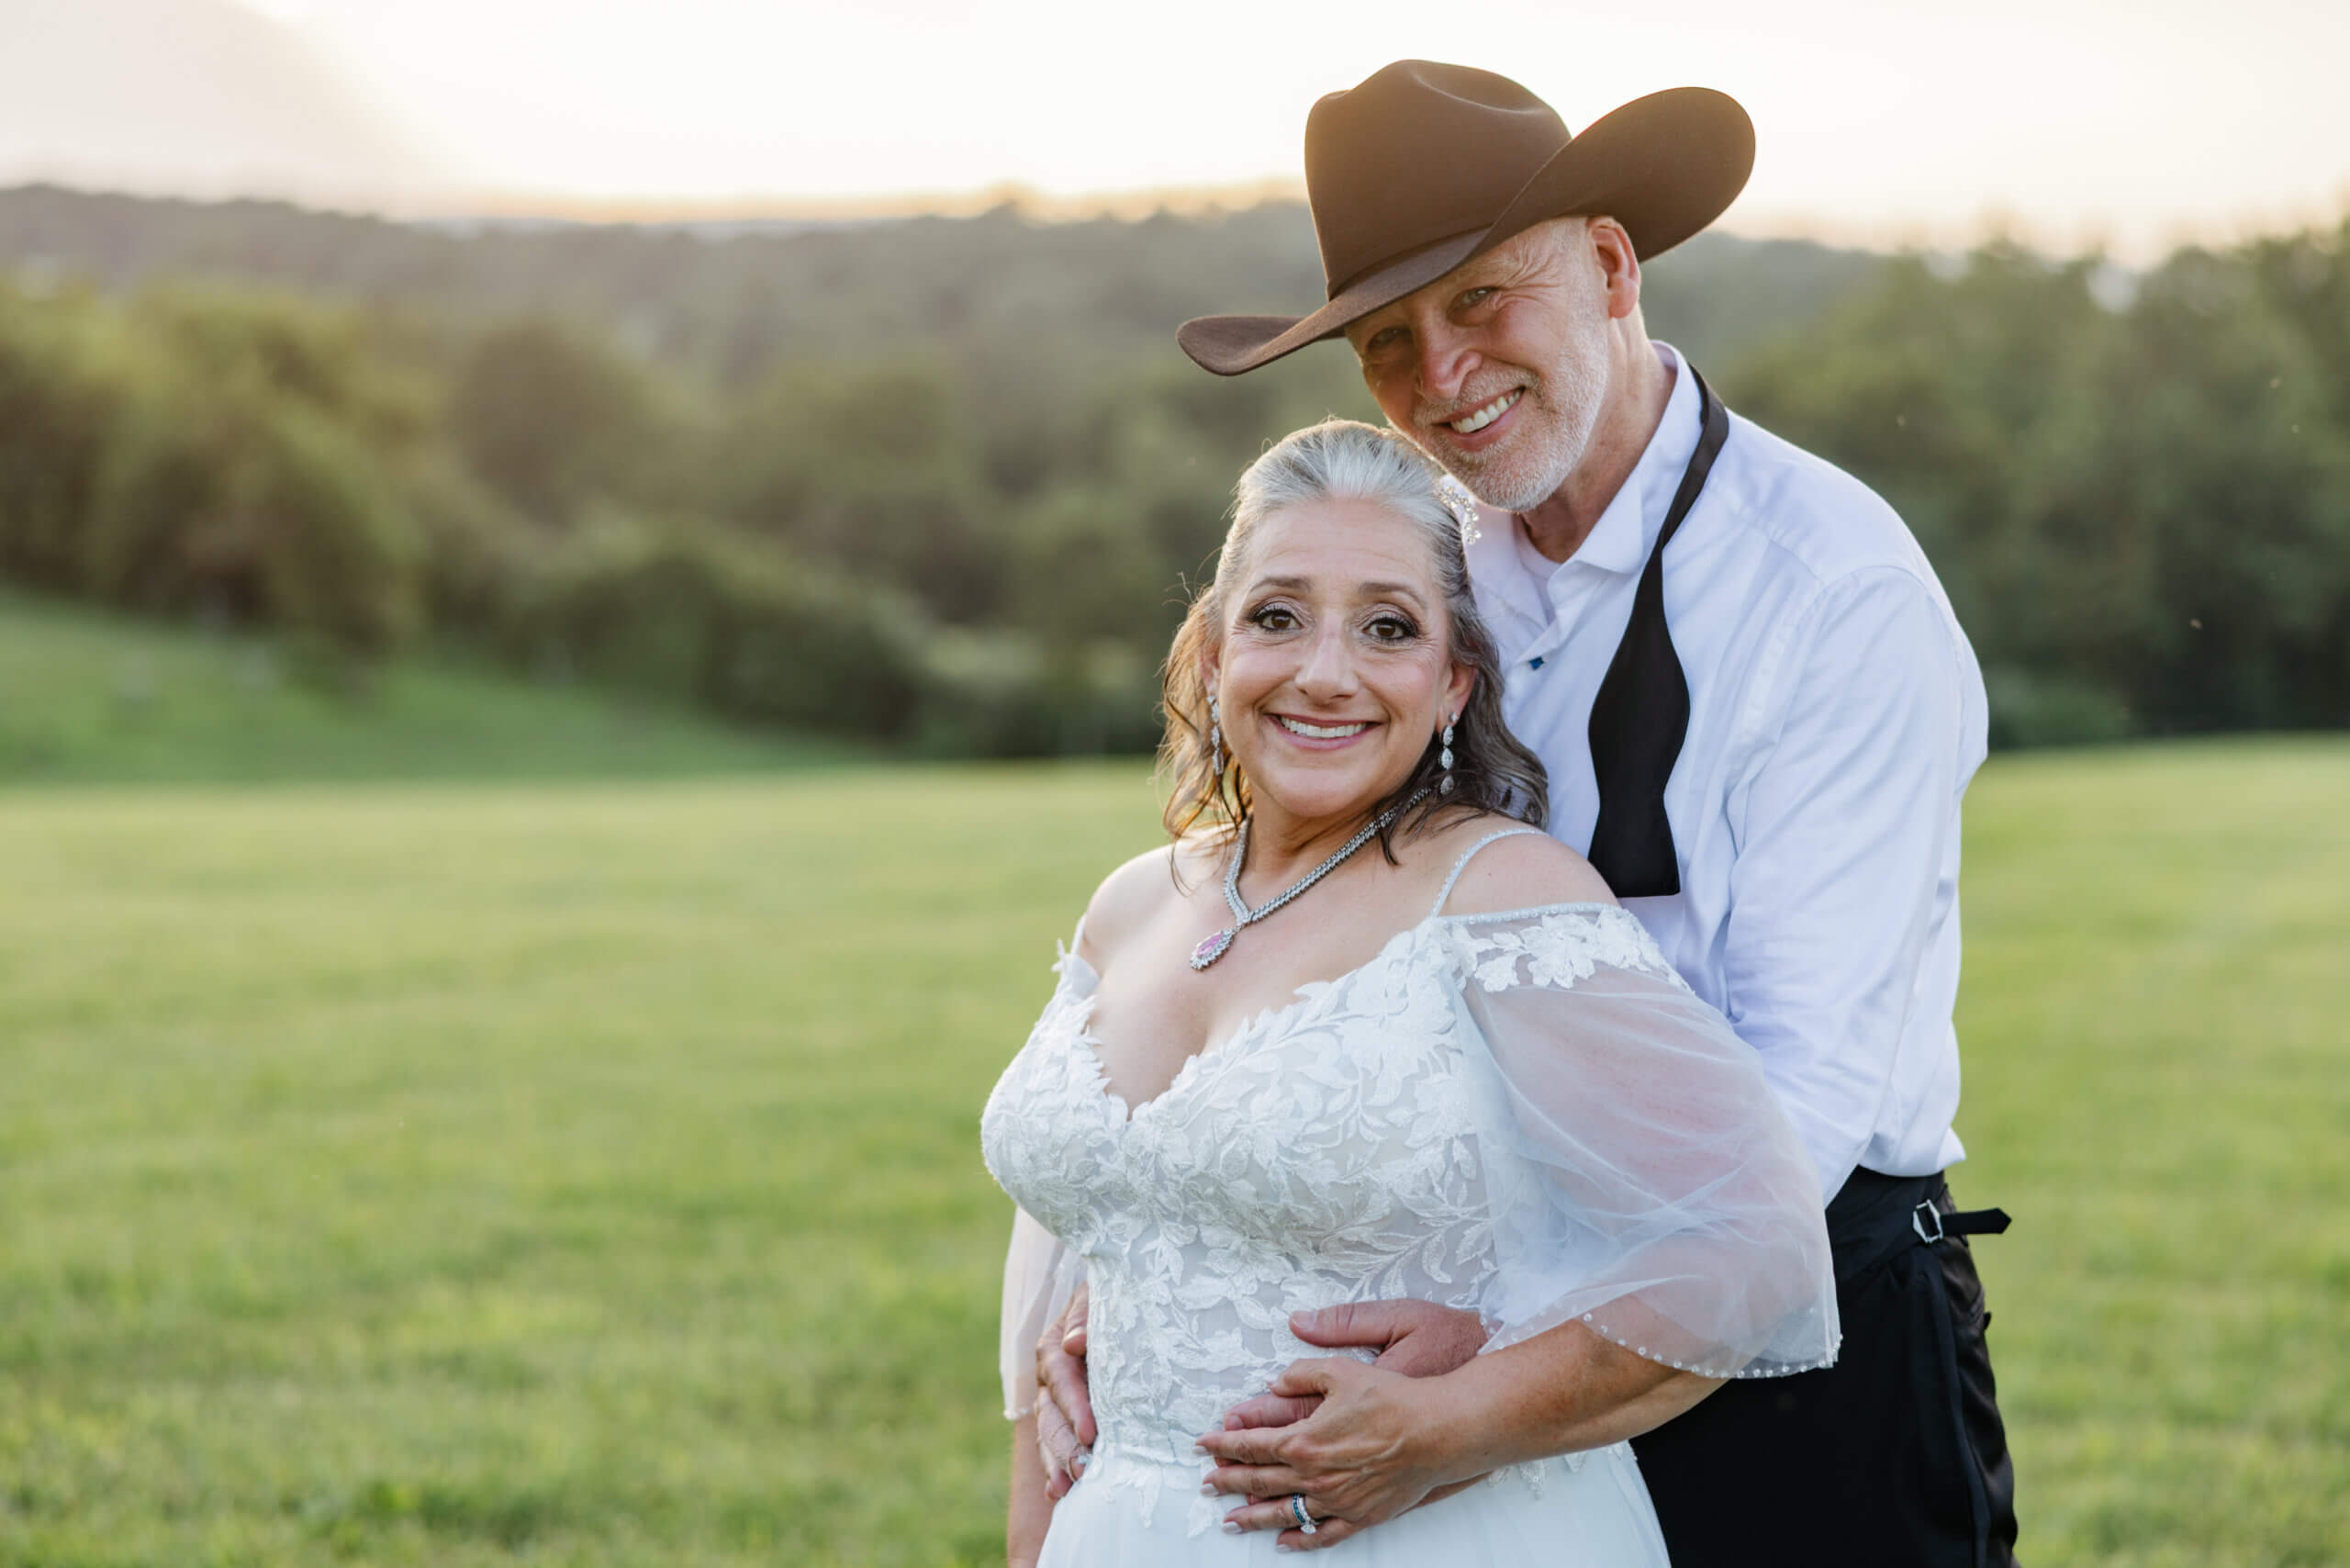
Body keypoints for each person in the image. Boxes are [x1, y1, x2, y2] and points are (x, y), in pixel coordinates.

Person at [1036, 60, 2020, 1564]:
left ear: (1613, 265)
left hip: (1808, 1341)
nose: (1443, 378)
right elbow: (1312, 946)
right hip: (1444, 1348)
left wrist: (1505, 1357)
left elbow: (1797, 1111)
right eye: (1389, 340)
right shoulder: (1415, 586)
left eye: (1485, 301)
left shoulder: (1837, 595)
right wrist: (1165, 1267)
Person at [981, 420, 1838, 1565]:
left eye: (1386, 628)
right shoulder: (1132, 903)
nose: (1323, 671)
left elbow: (1751, 1249)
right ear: (1208, 654)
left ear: (1450, 684)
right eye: (1275, 617)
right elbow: (1073, 1258)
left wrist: (1446, 1421)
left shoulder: (1503, 897)